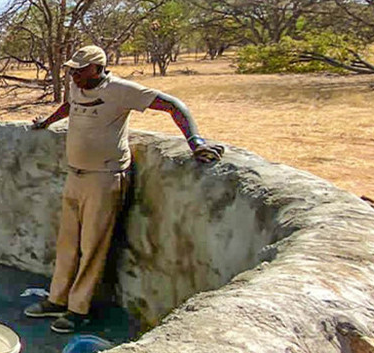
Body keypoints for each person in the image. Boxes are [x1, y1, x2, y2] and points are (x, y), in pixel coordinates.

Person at [24, 45, 224, 333]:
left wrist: (196, 142)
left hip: (104, 178)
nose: (74, 76)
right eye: (72, 71)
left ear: (97, 68)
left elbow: (172, 105)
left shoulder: (120, 90)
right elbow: (70, 106)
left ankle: (79, 309)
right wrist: (46, 122)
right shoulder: (77, 86)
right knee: (67, 244)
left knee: (92, 246)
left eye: (80, 71)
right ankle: (56, 299)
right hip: (75, 175)